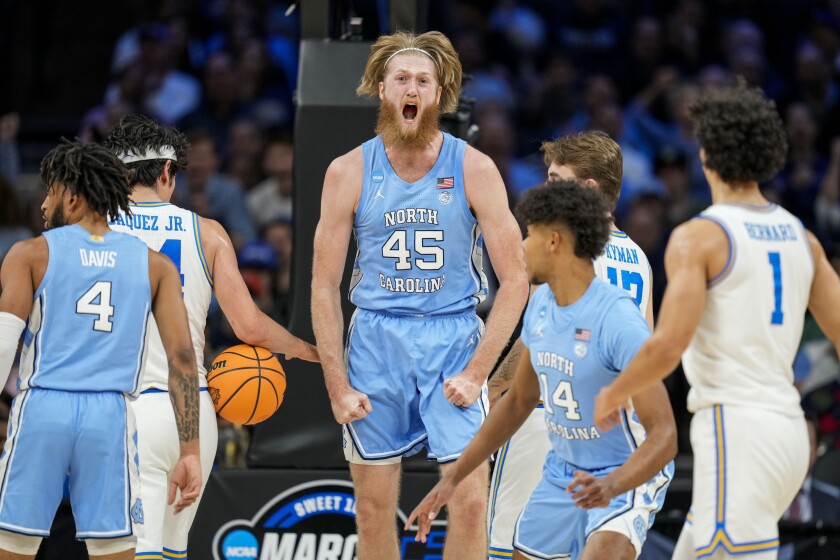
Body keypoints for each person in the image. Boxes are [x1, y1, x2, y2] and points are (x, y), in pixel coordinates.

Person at [593, 83, 840, 559]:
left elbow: (667, 344)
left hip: (737, 432)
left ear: (705, 155)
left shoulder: (700, 237)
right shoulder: (802, 238)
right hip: (788, 433)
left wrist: (615, 390)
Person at [311, 30, 528, 559]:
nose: (412, 88)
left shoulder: (474, 167)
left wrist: (478, 371)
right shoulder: (347, 171)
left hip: (453, 336)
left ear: (439, 94)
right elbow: (322, 285)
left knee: (472, 502)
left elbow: (517, 280)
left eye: (423, 81)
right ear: (382, 90)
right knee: (372, 507)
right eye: (402, 79)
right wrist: (337, 384)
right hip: (376, 340)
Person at [407, 180, 677, 560]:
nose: (521, 247)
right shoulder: (543, 307)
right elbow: (518, 401)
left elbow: (665, 436)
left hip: (623, 468)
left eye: (529, 235)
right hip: (564, 468)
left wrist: (613, 485)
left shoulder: (617, 320)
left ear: (554, 242)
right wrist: (452, 478)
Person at [102, 114, 319, 559]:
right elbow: (250, 328)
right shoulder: (209, 233)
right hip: (190, 412)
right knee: (172, 552)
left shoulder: (94, 231)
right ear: (167, 172)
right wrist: (303, 349)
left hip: (119, 408)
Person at [0, 141, 201, 559]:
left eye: (49, 192)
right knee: (115, 549)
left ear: (71, 197)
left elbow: (4, 341)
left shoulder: (30, 253)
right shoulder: (153, 264)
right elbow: (182, 360)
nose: (42, 205)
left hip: (43, 409)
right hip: (109, 417)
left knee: (13, 545)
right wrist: (190, 451)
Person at [486, 131, 656, 560]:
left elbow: (536, 339)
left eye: (556, 178)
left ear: (588, 189)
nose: (546, 189)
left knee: (507, 550)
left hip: (549, 415)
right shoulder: (638, 257)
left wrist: (489, 387)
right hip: (609, 435)